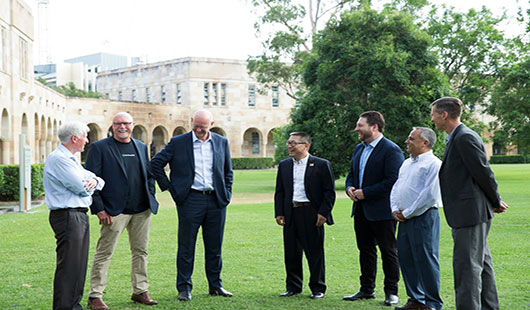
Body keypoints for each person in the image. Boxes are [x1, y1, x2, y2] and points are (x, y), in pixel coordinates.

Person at [431, 97, 508, 310]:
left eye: (434, 114)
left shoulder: (464, 137)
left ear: (444, 115)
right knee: (482, 265)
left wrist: (495, 200)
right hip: (467, 212)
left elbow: (483, 172)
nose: (432, 119)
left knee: (467, 268)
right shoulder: (455, 137)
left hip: (470, 213)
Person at [151, 109, 233, 301]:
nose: (198, 130)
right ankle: (184, 288)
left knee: (215, 247)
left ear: (211, 125)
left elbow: (228, 171)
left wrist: (227, 193)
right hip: (190, 200)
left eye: (203, 127)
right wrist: (171, 189)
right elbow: (155, 164)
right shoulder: (179, 142)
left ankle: (215, 285)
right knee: (186, 246)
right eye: (195, 126)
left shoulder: (221, 142)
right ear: (191, 122)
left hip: (216, 200)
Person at [85, 112, 159, 310]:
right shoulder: (99, 148)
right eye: (118, 123)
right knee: (104, 252)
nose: (122, 127)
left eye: (126, 123)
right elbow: (90, 180)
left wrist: (151, 196)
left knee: (141, 251)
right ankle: (95, 296)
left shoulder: (142, 147)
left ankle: (140, 290)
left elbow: (148, 175)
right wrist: (99, 209)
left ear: (132, 125)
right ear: (113, 125)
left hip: (142, 209)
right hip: (114, 211)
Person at [343, 111, 404, 306]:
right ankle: (366, 290)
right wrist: (349, 188)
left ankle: (391, 292)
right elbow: (351, 174)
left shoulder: (391, 150)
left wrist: (366, 192)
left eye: (360, 125)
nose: (356, 129)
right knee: (365, 250)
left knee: (388, 251)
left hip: (383, 211)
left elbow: (393, 181)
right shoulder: (358, 149)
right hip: (360, 210)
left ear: (374, 127)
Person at [44, 121, 105, 310]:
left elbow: (98, 180)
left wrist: (93, 181)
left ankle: (73, 305)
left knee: (78, 266)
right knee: (69, 266)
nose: (87, 141)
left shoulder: (71, 159)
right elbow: (81, 188)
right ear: (74, 138)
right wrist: (90, 183)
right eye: (85, 137)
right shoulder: (59, 159)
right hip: (68, 216)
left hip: (78, 215)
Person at [274, 132, 336, 299]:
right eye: (288, 142)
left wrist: (323, 212)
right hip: (290, 213)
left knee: (314, 252)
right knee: (291, 252)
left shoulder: (321, 165)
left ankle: (318, 288)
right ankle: (293, 287)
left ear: (306, 145)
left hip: (311, 213)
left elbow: (329, 192)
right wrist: (279, 212)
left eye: (294, 143)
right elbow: (279, 191)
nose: (289, 146)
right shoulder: (285, 165)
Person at [390, 127, 443, 310]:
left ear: (425, 143)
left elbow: (428, 195)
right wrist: (395, 208)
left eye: (411, 139)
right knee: (406, 258)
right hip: (404, 217)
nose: (407, 142)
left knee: (426, 259)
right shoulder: (406, 163)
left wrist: (407, 212)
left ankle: (432, 303)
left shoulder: (433, 164)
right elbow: (397, 187)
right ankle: (415, 299)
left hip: (424, 217)